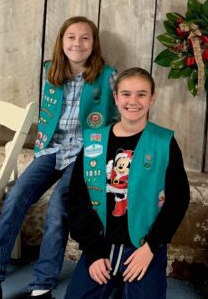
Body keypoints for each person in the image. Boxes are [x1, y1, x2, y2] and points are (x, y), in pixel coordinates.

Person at [0, 16, 118, 299]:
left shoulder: (107, 75)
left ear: (94, 44)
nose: (77, 43)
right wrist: (43, 145)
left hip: (85, 152)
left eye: (85, 38)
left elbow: (116, 118)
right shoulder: (50, 70)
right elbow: (49, 112)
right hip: (52, 148)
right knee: (16, 197)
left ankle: (42, 286)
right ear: (61, 42)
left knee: (58, 207)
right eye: (71, 37)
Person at [65, 67, 190, 298]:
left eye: (141, 94)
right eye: (126, 94)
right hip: (101, 244)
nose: (133, 101)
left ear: (152, 98)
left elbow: (178, 200)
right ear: (115, 97)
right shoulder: (95, 141)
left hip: (142, 247)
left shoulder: (164, 142)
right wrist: (93, 252)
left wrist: (151, 247)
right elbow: (77, 201)